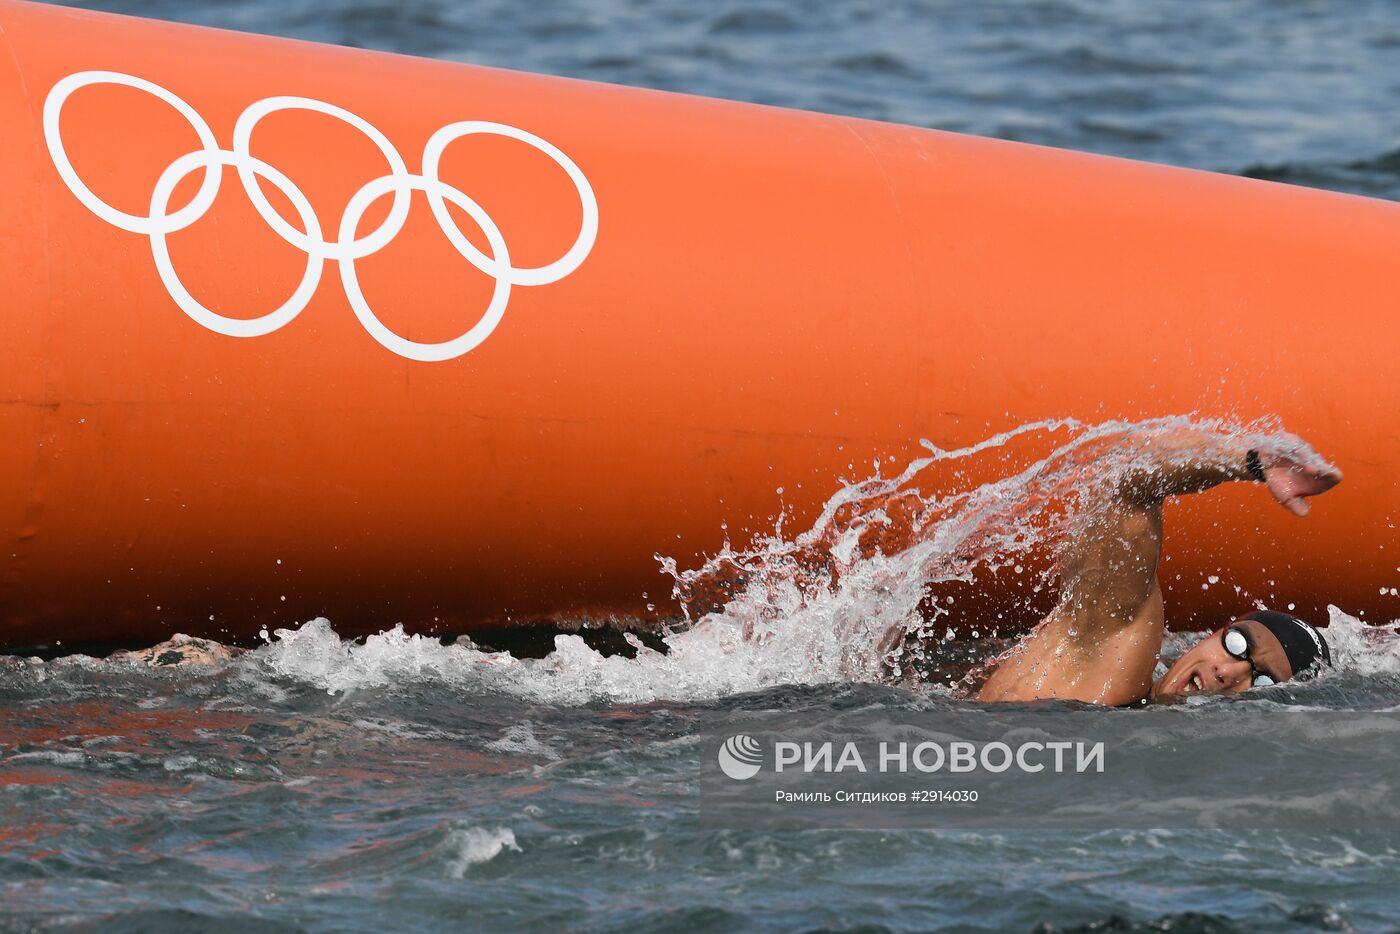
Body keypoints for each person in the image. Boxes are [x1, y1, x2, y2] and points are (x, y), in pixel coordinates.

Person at [973, 429, 1341, 705]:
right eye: (1238, 644)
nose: (1229, 673)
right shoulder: (1113, 658)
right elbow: (1129, 489)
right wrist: (1253, 463)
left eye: (1261, 681)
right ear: (1217, 632)